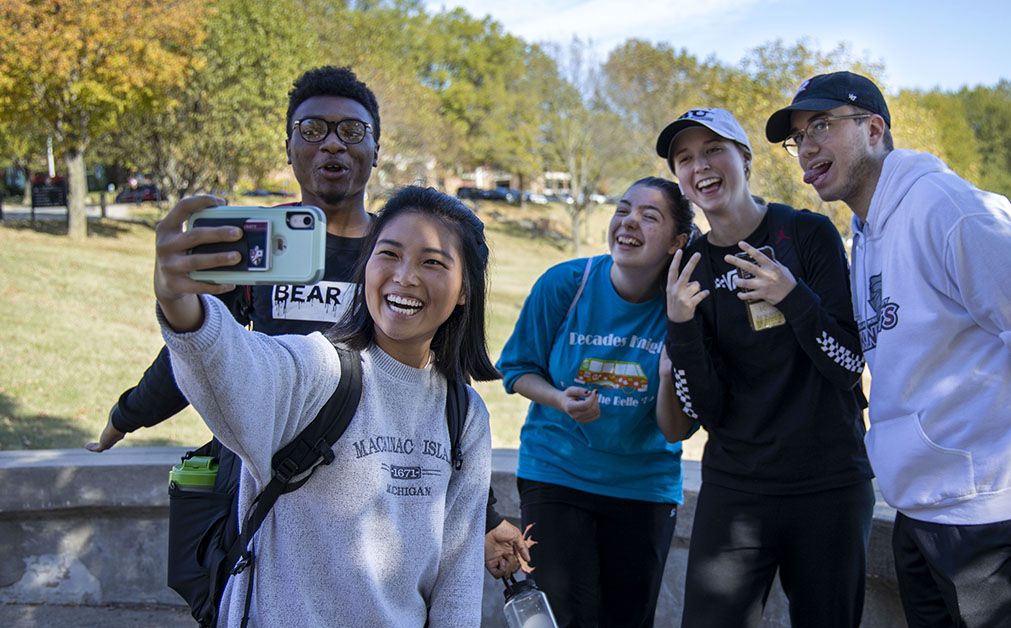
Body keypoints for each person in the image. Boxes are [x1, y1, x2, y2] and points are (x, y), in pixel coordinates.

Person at [86, 65, 530, 577]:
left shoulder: (398, 258)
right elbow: (203, 350)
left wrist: (486, 513)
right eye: (313, 130)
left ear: (376, 150)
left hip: (374, 482)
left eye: (352, 131)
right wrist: (126, 415)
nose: (333, 145)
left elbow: (437, 386)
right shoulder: (257, 249)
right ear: (291, 148)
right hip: (273, 474)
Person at [765, 70, 1011, 627]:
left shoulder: (947, 209)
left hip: (1000, 517)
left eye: (821, 125)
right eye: (797, 138)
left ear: (874, 128)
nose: (806, 147)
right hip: (922, 513)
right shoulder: (865, 230)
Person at [153, 186, 496, 627]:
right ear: (366, 266)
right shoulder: (318, 369)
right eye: (388, 254)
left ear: (464, 289)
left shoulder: (465, 415)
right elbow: (231, 367)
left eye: (433, 262)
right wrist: (181, 305)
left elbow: (458, 586)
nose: (405, 276)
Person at [655, 108, 875, 628]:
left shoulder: (807, 233)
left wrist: (793, 297)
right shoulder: (689, 265)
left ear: (745, 159)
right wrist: (682, 325)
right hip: (737, 490)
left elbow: (848, 366)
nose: (700, 165)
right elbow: (703, 408)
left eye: (713, 150)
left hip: (828, 485)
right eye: (685, 159)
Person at [495, 177, 694, 628]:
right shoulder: (566, 284)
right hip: (557, 471)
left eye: (650, 216)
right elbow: (517, 370)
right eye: (623, 209)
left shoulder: (682, 308)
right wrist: (560, 400)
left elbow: (674, 429)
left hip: (642, 485)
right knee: (560, 618)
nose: (628, 222)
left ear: (676, 242)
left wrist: (667, 375)